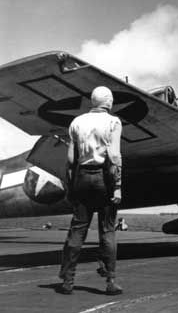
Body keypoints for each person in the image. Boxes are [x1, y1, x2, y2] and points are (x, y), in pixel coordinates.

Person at [58, 86, 123, 295]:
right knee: (107, 230)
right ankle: (110, 281)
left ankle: (67, 281)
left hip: (82, 178)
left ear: (93, 101)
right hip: (104, 178)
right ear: (109, 102)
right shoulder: (114, 122)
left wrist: (70, 186)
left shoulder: (76, 122)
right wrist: (118, 187)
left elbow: (70, 160)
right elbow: (114, 157)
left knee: (77, 231)